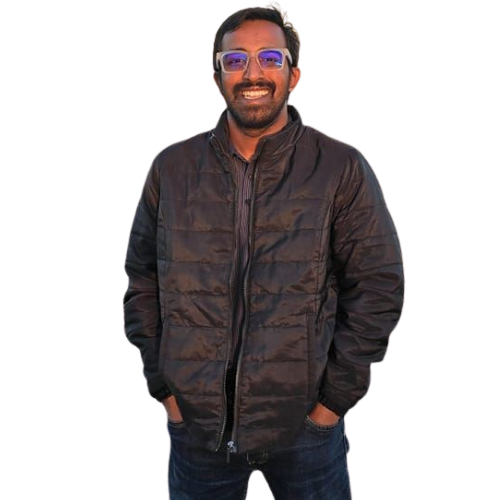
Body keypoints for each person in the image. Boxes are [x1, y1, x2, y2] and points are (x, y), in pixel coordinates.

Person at [123, 3, 404, 499]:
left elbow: (378, 284)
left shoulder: (340, 167)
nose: (252, 73)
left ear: (294, 76)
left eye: (270, 58)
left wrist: (333, 403)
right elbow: (141, 276)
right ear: (217, 79)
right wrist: (164, 386)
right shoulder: (171, 168)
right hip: (197, 430)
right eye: (235, 60)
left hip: (306, 430)